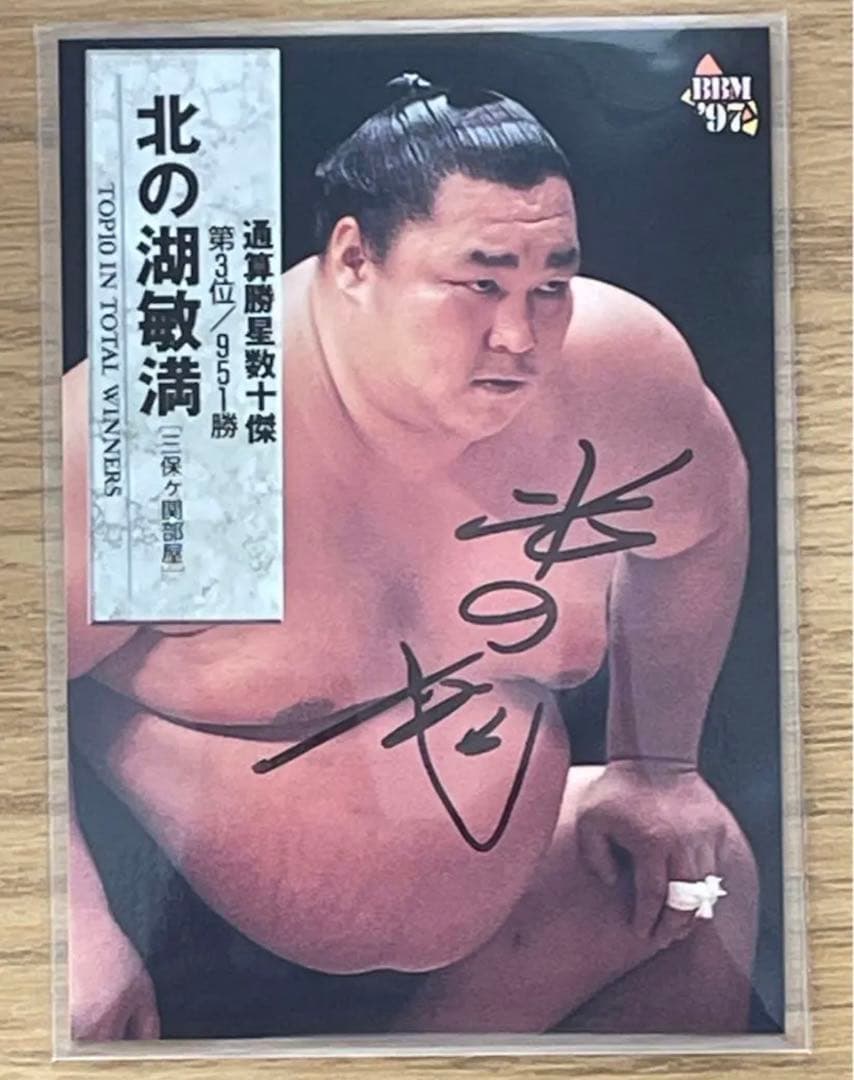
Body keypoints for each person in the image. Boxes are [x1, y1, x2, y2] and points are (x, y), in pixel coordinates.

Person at [63, 76, 758, 1040]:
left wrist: (657, 762)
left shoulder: (613, 370)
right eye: (480, 284)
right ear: (356, 259)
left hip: (502, 938)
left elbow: (705, 523)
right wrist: (68, 923)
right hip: (191, 964)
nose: (519, 336)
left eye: (549, 285)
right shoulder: (176, 435)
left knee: (695, 887)